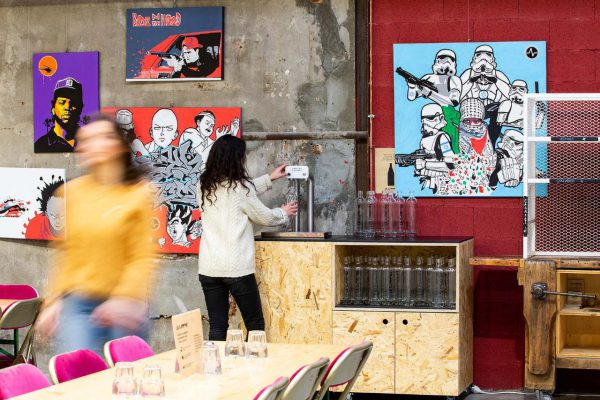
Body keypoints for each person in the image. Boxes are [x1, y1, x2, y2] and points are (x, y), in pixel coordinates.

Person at [36, 114, 157, 355]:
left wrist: (125, 298)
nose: (92, 145)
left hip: (126, 304)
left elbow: (141, 256)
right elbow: (66, 254)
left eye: (102, 137)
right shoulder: (70, 192)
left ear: (118, 145)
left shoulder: (138, 194)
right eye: (86, 140)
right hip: (79, 303)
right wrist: (53, 302)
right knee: (77, 376)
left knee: (125, 380)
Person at [197, 135, 297, 340]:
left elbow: (236, 193)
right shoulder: (242, 189)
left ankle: (217, 370)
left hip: (209, 267)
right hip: (237, 269)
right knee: (255, 326)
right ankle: (254, 370)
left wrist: (269, 178)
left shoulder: (203, 185)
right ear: (237, 159)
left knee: (217, 326)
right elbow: (265, 217)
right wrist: (283, 212)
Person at [34, 77, 84, 153]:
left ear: (80, 109)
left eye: (73, 103)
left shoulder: (90, 141)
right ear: (53, 109)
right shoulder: (41, 145)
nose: (67, 107)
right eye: (62, 102)